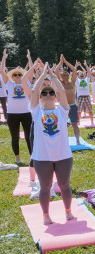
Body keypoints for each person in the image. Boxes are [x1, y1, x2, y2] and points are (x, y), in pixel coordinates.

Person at [29, 64, 73, 225]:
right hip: (42, 157)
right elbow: (34, 91)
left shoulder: (62, 110)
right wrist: (42, 75)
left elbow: (62, 91)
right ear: (40, 98)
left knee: (64, 185)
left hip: (63, 156)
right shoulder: (36, 112)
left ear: (55, 97)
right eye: (44, 93)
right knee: (45, 187)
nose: (48, 94)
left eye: (51, 93)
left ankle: (68, 211)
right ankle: (46, 215)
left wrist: (53, 75)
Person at [1, 49, 35, 165]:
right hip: (12, 114)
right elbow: (2, 71)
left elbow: (31, 71)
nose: (17, 76)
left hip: (26, 113)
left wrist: (29, 58)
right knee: (14, 137)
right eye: (15, 75)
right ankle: (17, 157)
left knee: (29, 136)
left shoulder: (27, 83)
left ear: (22, 75)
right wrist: (4, 58)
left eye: (19, 74)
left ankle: (32, 157)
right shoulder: (9, 84)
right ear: (12, 77)